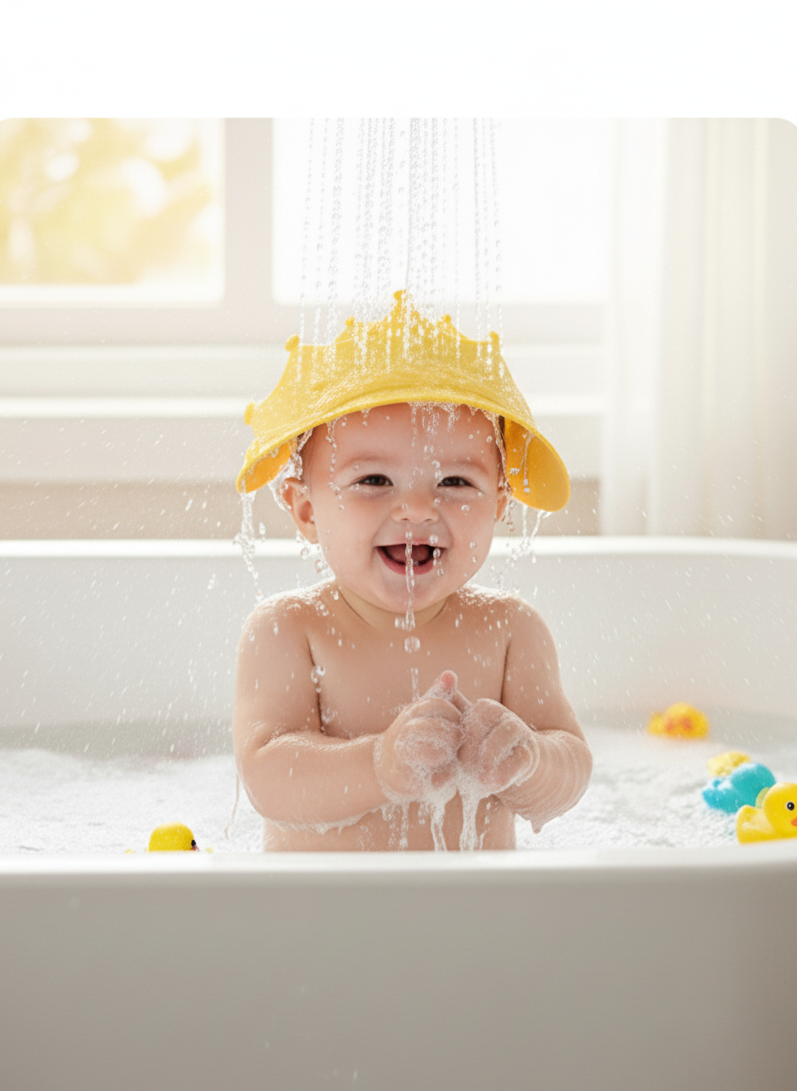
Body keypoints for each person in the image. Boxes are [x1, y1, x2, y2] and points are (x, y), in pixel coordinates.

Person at [232, 293, 592, 850]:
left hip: (472, 916)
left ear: (500, 503)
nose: (419, 509)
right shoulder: (292, 629)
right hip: (318, 915)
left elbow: (569, 770)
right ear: (305, 509)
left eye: (455, 483)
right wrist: (380, 764)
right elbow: (268, 778)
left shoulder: (511, 631)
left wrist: (528, 761)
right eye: (373, 481)